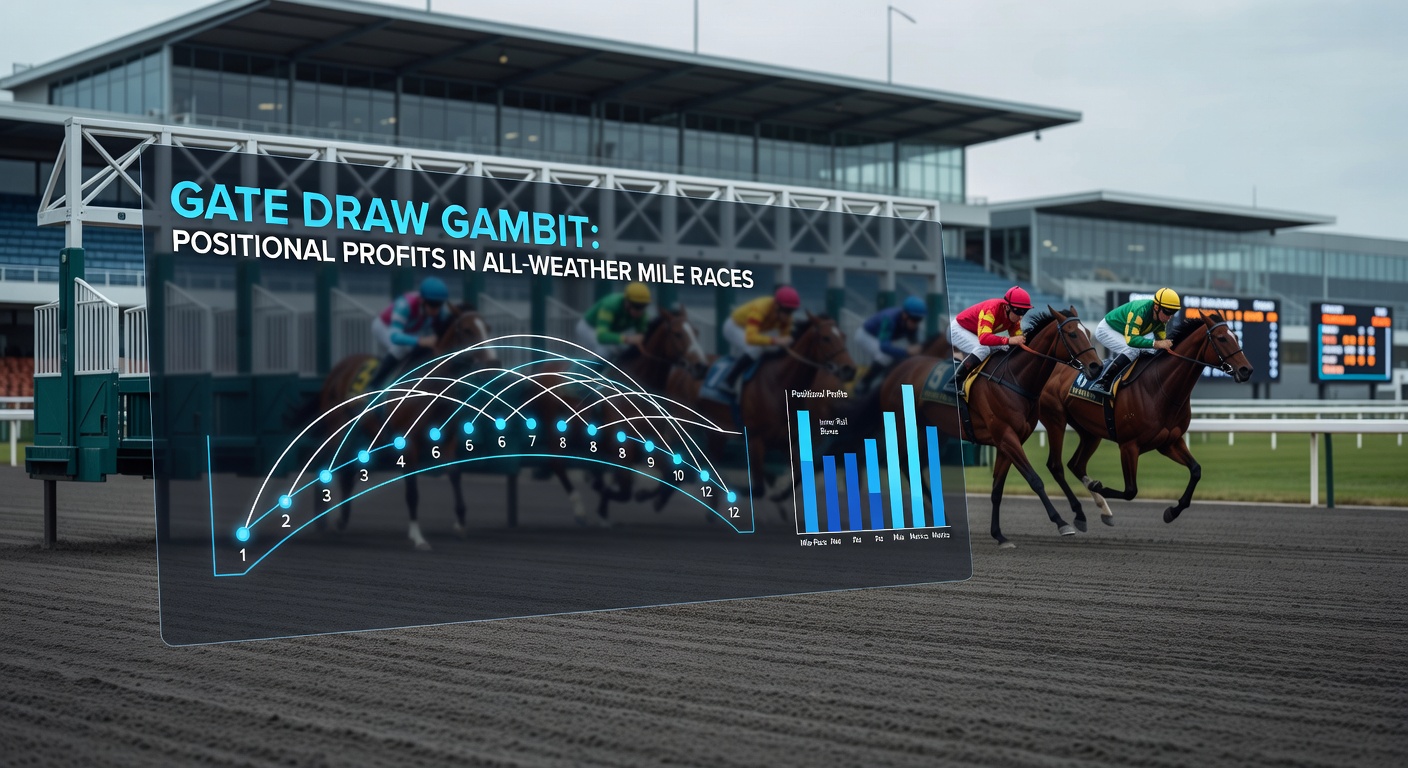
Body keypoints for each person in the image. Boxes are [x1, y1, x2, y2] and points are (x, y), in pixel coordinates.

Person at [1087, 287, 1180, 395]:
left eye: (1173, 312)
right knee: (1132, 350)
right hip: (1108, 329)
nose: (1169, 317)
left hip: (1126, 332)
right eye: (1167, 312)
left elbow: (1163, 341)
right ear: (1156, 307)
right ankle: (1103, 382)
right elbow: (1131, 340)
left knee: (1152, 351)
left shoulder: (1161, 319)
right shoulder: (1140, 311)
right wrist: (1156, 344)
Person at [368, 276, 454, 390]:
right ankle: (373, 386)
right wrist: (420, 341)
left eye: (439, 304)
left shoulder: (438, 310)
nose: (436, 309)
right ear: (422, 301)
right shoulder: (404, 305)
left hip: (409, 329)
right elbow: (395, 337)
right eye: (433, 304)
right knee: (400, 348)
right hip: (384, 326)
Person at [719, 285, 802, 391]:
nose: (788, 316)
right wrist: (776, 340)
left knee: (774, 348)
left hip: (752, 330)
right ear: (777, 306)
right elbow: (751, 338)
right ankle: (728, 381)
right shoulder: (761, 307)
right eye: (786, 310)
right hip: (734, 327)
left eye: (791, 311)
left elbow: (784, 340)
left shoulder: (787, 317)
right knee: (755, 349)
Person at [950, 286, 1032, 390]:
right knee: (983, 349)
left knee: (1005, 348)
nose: (1021, 316)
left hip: (976, 334)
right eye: (1019, 311)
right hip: (958, 329)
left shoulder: (1014, 317)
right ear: (1007, 307)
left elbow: (1018, 339)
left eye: (1024, 312)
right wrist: (1009, 340)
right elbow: (984, 339)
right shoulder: (991, 310)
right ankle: (954, 382)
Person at [855, 296, 927, 390]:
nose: (916, 323)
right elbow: (884, 347)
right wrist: (906, 352)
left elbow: (915, 347)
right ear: (905, 315)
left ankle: (886, 383)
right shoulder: (889, 318)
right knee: (885, 357)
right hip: (866, 336)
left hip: (881, 339)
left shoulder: (911, 323)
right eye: (914, 319)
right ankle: (863, 385)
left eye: (919, 319)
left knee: (902, 359)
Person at [575, 281, 651, 361]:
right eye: (636, 306)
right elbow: (602, 336)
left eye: (643, 306)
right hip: (589, 327)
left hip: (610, 332)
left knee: (622, 351)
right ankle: (583, 371)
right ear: (627, 302)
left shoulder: (642, 314)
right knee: (604, 352)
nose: (639, 311)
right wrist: (628, 339)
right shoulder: (610, 305)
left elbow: (641, 334)